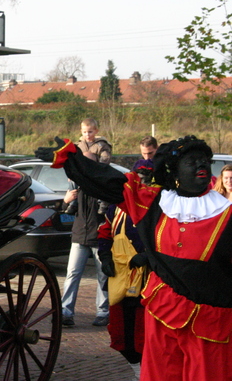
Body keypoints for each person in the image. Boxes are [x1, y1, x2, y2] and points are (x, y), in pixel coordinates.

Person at [36, 135, 232, 381]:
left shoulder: (227, 213)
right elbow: (109, 182)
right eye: (191, 161)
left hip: (211, 321)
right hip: (163, 312)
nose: (200, 165)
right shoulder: (155, 203)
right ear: (174, 172)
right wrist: (71, 157)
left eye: (204, 160)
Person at [97, 159, 154, 381]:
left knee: (146, 333)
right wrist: (104, 257)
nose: (143, 180)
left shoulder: (159, 206)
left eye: (148, 176)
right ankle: (137, 370)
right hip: (121, 279)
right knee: (123, 333)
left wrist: (148, 257)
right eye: (140, 175)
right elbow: (104, 233)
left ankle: (146, 371)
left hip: (150, 283)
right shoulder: (117, 208)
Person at [60, 151, 109, 327]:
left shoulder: (102, 184)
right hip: (79, 235)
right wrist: (66, 201)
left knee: (103, 275)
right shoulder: (76, 183)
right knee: (72, 274)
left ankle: (103, 311)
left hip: (99, 236)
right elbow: (66, 210)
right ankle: (66, 312)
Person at [66, 118, 111, 215]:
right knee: (72, 178)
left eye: (90, 132)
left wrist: (97, 169)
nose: (87, 134)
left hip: (97, 171)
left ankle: (102, 203)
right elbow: (73, 160)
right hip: (82, 173)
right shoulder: (78, 145)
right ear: (81, 132)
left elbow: (105, 159)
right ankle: (74, 203)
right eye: (85, 132)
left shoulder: (102, 145)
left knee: (102, 181)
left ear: (96, 131)